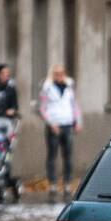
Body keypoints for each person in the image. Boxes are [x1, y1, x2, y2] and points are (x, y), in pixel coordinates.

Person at [39, 64, 82, 196]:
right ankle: (52, 183)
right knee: (52, 155)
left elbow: (74, 105)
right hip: (54, 125)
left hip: (67, 123)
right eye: (56, 74)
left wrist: (78, 122)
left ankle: (67, 183)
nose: (59, 76)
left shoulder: (69, 87)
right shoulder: (47, 88)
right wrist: (51, 123)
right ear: (53, 75)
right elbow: (42, 108)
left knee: (68, 155)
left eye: (61, 73)